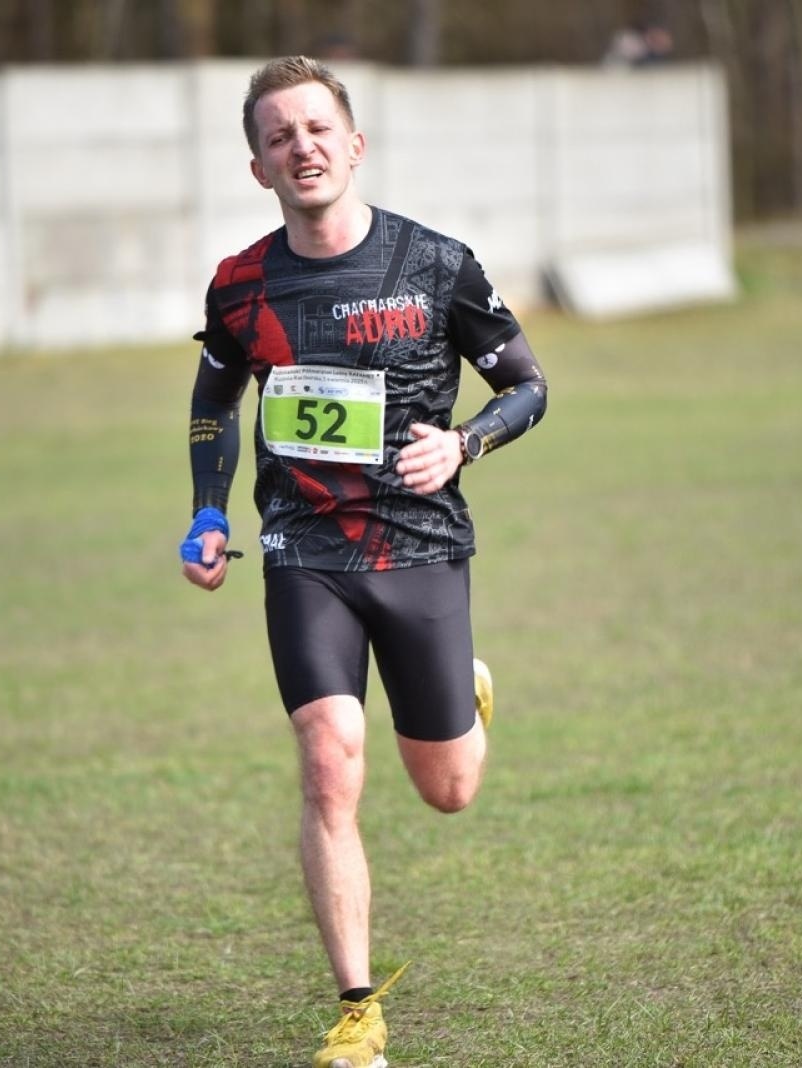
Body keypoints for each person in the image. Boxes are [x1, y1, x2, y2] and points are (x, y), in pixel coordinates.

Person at [180, 55, 548, 1068]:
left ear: (354, 144)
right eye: (278, 136)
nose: (300, 146)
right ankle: (356, 1011)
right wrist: (208, 512)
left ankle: (465, 694)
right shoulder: (241, 284)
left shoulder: (437, 264)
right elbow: (214, 402)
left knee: (448, 789)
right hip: (302, 549)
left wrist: (463, 445)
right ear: (259, 167)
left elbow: (527, 386)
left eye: (315, 128)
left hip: (418, 544)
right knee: (328, 757)